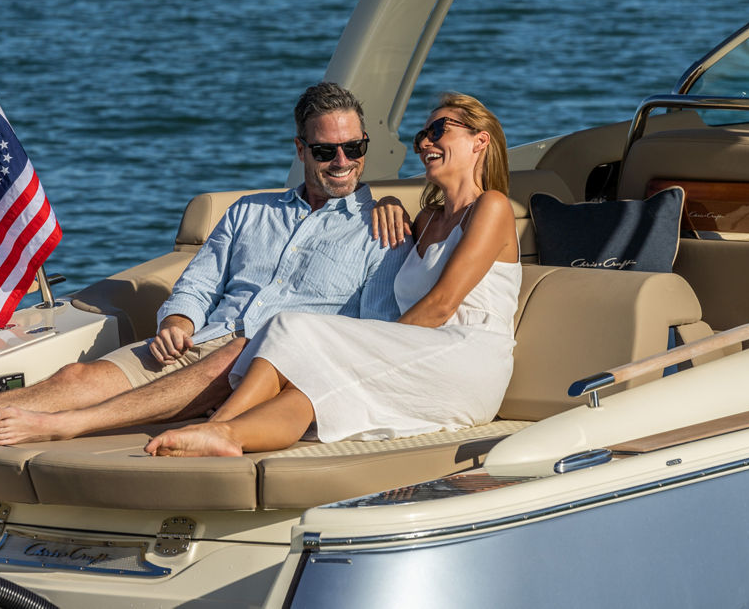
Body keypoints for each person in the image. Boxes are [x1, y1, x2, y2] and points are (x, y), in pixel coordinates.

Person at [0, 82, 408, 443]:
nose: (342, 161)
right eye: (325, 151)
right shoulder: (250, 212)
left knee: (242, 351)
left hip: (277, 363)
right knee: (78, 371)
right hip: (208, 339)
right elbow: (199, 283)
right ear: (300, 149)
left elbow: (376, 328)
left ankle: (65, 427)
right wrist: (177, 321)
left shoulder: (384, 228)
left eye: (353, 147)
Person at [145, 92, 520, 457]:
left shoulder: (492, 206)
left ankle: (219, 421)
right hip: (420, 357)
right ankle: (229, 436)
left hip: (467, 360)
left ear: (479, 140)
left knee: (291, 325)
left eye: (439, 130)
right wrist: (387, 202)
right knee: (306, 393)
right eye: (421, 135)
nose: (424, 143)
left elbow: (441, 304)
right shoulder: (423, 221)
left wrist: (371, 350)